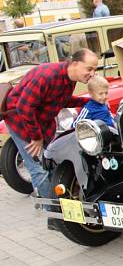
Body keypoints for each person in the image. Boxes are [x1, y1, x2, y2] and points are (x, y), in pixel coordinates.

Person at [3, 49, 97, 195]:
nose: (92, 74)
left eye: (94, 70)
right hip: (21, 122)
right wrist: (36, 137)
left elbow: (62, 100)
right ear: (75, 63)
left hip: (43, 124)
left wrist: (89, 102)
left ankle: (61, 198)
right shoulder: (46, 76)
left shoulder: (70, 79)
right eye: (89, 69)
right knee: (37, 169)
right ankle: (52, 210)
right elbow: (24, 107)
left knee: (53, 159)